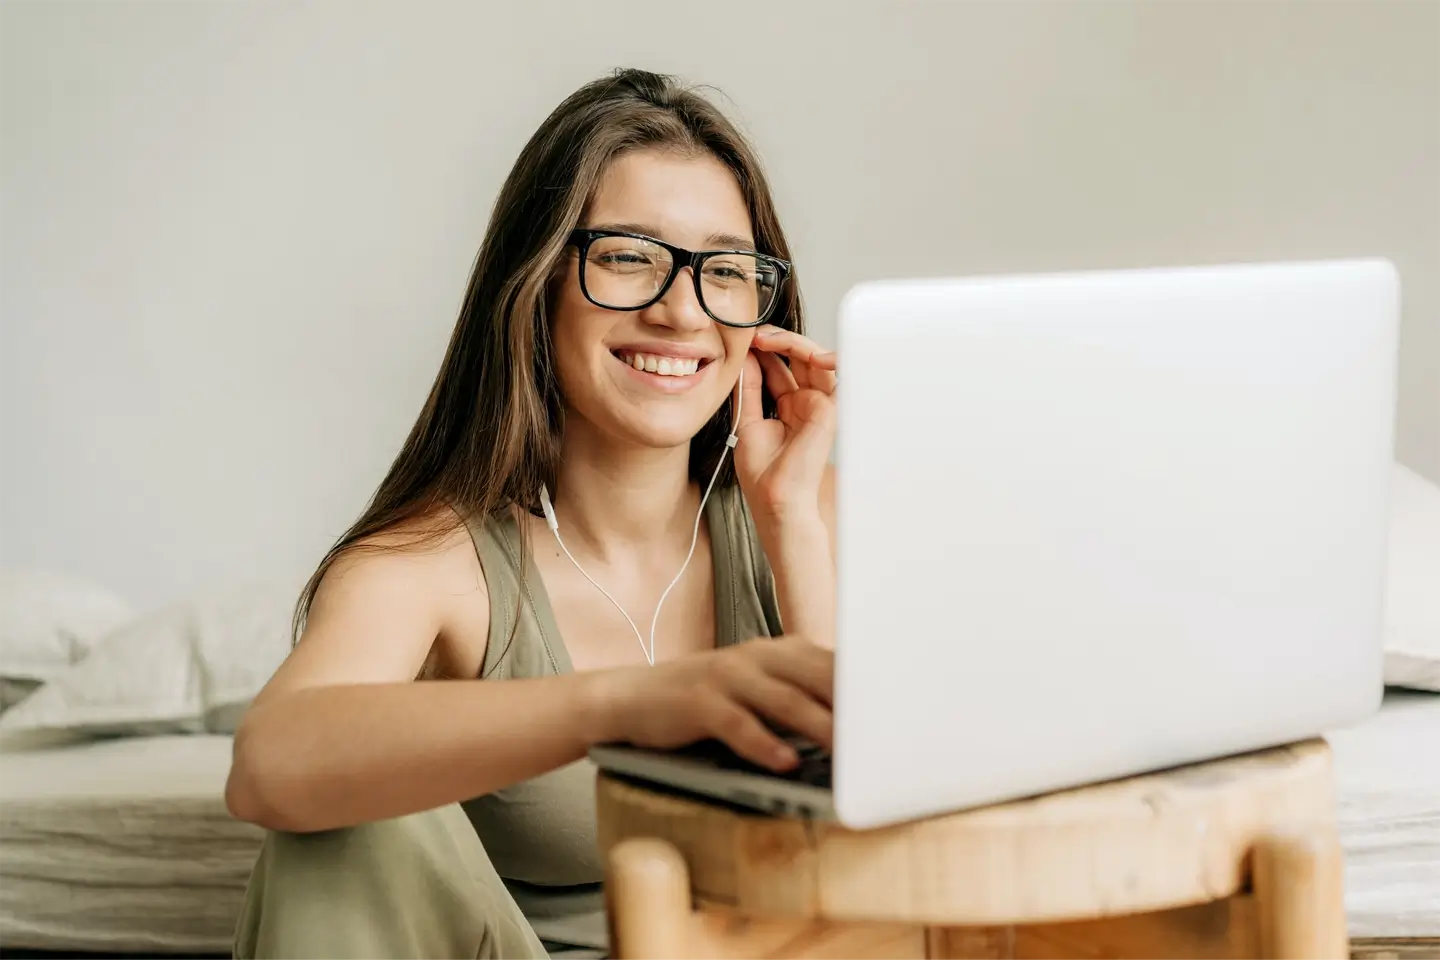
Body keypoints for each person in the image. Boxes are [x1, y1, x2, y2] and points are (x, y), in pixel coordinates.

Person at [224, 67, 839, 960]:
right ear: (537, 279)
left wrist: (796, 535)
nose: (681, 311)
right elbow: (269, 768)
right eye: (629, 255)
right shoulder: (432, 562)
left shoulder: (812, 507)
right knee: (346, 817)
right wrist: (630, 704)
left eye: (727, 269)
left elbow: (884, 847)